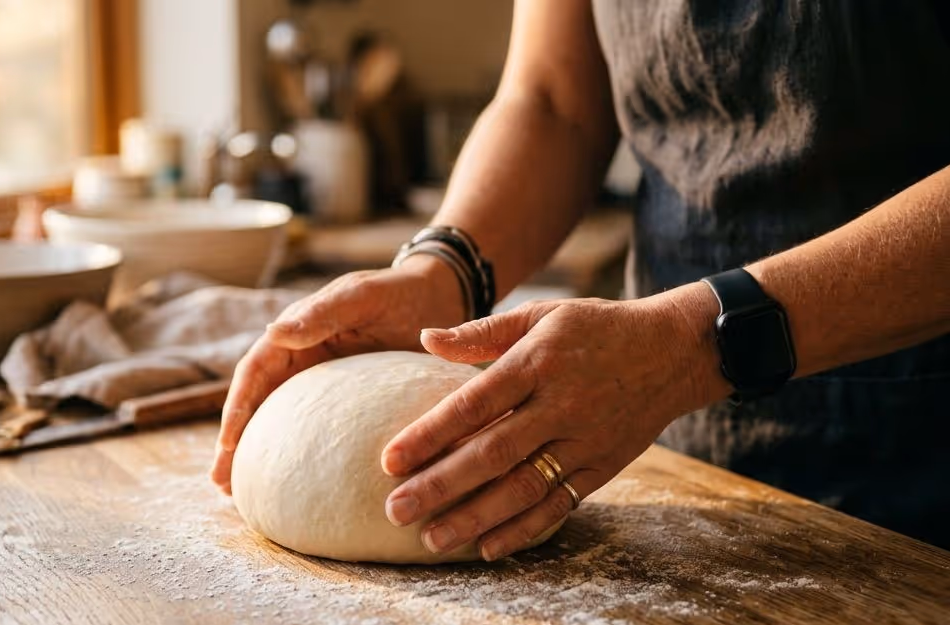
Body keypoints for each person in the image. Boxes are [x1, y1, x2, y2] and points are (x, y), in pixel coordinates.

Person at [212, 0, 950, 556]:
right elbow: (553, 100)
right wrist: (442, 271)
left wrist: (694, 346)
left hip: (921, 448)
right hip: (673, 447)